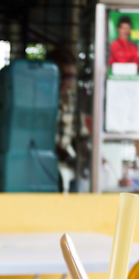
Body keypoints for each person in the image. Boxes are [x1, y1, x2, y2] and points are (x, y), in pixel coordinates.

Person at [45, 47, 78, 192]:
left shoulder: (71, 99)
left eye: (71, 77)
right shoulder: (38, 98)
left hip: (65, 166)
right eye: (62, 76)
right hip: (41, 163)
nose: (66, 82)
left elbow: (79, 134)